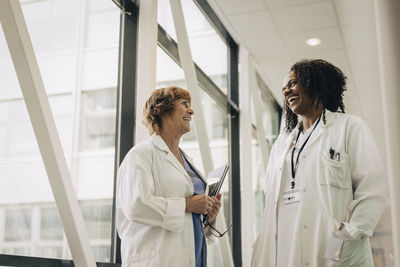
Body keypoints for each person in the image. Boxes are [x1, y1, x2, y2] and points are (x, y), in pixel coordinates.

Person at [251, 59, 388, 267]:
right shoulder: (282, 144)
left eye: (292, 83)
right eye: (284, 88)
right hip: (285, 251)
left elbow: (373, 189)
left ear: (313, 83)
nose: (286, 91)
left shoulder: (349, 128)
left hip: (332, 250)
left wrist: (346, 238)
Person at [116, 86, 222, 267]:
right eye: (184, 104)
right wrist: (188, 204)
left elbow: (188, 225)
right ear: (162, 110)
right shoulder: (140, 155)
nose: (191, 110)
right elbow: (136, 205)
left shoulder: (187, 161)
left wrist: (208, 216)